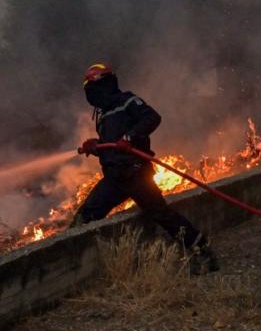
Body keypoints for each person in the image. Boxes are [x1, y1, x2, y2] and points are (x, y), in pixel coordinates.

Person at [73, 63, 218, 275]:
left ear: (105, 85)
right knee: (85, 215)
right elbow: (112, 148)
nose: (92, 95)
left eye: (93, 89)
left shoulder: (127, 101)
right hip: (114, 178)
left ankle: (203, 253)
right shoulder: (103, 115)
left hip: (136, 173)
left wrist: (131, 137)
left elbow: (152, 118)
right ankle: (75, 269)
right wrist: (95, 146)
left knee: (161, 214)